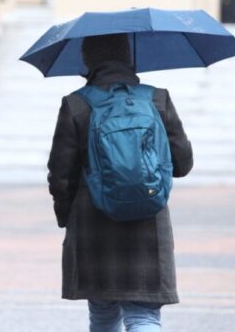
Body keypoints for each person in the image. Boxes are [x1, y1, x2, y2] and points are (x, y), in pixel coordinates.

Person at [47, 33, 194, 332]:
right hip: (148, 220)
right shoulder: (157, 98)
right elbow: (183, 163)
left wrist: (66, 218)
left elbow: (61, 174)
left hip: (92, 222)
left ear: (88, 59)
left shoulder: (76, 104)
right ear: (129, 57)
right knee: (144, 317)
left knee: (103, 314)